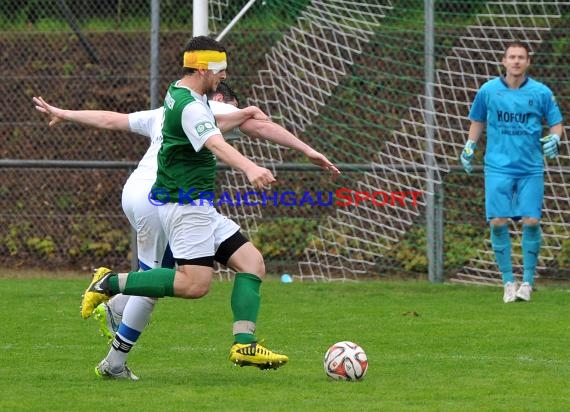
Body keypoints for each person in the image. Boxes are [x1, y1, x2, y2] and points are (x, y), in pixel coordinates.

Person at [36, 37, 339, 379]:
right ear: (202, 69)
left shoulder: (177, 99)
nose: (223, 76)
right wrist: (252, 166)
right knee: (183, 285)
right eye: (219, 70)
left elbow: (112, 120)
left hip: (162, 198)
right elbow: (222, 139)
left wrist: (65, 113)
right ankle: (111, 294)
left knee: (251, 262)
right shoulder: (198, 106)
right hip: (175, 202)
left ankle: (243, 342)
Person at [459, 40, 563, 303]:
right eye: (512, 57)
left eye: (521, 57)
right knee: (497, 222)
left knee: (532, 221)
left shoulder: (540, 92)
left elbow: (556, 123)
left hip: (530, 167)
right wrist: (470, 145)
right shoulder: (488, 91)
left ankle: (527, 282)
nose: (516, 61)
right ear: (504, 61)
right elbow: (477, 119)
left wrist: (556, 138)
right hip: (497, 167)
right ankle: (507, 281)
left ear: (528, 62)